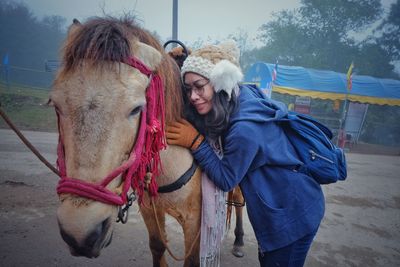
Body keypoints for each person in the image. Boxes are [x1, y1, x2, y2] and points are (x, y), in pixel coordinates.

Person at [166, 41, 325, 267]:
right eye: (188, 89)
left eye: (199, 86)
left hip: (291, 214)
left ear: (221, 83)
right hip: (283, 203)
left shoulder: (244, 129)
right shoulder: (240, 95)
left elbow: (226, 179)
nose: (192, 96)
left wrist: (195, 141)